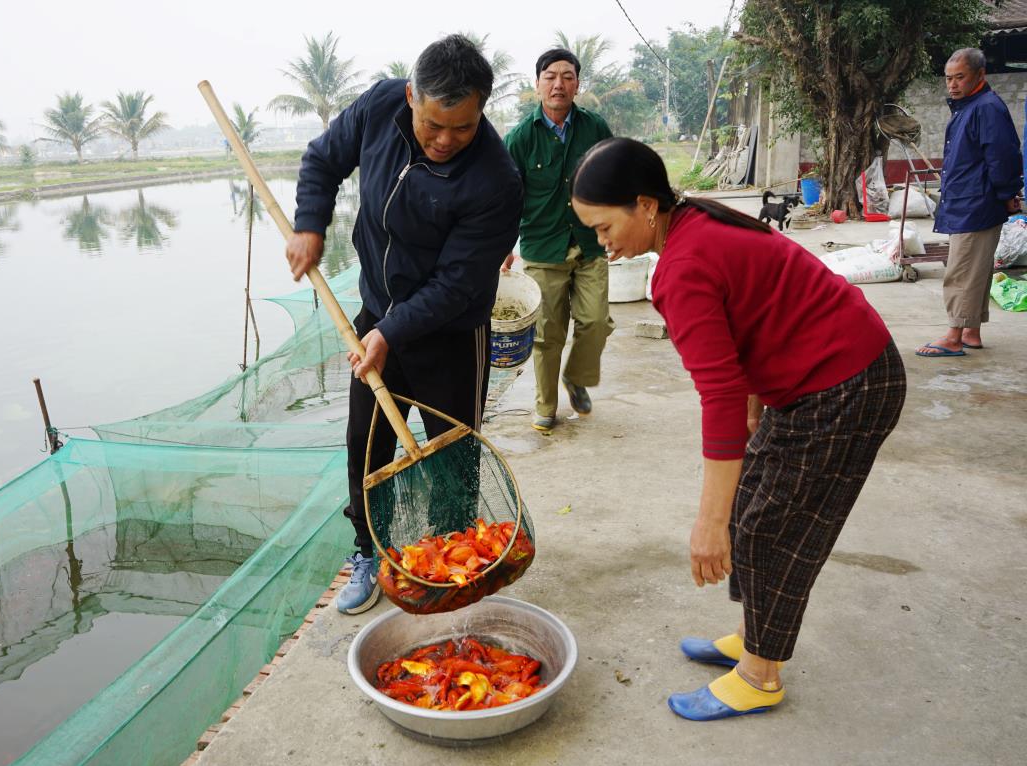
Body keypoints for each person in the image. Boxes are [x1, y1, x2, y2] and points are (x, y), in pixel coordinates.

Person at [571, 138, 906, 721]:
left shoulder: (683, 267)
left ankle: (760, 675)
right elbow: (752, 312)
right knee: (755, 505)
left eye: (603, 228)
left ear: (646, 206)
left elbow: (718, 396)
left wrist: (708, 523)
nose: (602, 245)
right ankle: (755, 636)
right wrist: (758, 403)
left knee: (771, 528)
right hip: (814, 377)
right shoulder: (694, 218)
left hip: (846, 384)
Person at [285, 34, 523, 614]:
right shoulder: (379, 106)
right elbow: (322, 159)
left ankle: (447, 561)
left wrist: (392, 333)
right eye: (434, 124)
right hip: (373, 316)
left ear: (481, 111)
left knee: (450, 456)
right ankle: (368, 550)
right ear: (412, 97)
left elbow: (457, 284)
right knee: (364, 449)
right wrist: (310, 223)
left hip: (449, 333)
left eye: (463, 128)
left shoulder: (497, 180)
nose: (446, 141)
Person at [502, 48, 614, 431]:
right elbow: (505, 198)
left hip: (589, 243)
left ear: (577, 85)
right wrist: (502, 245)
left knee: (595, 322)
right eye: (550, 76)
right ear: (537, 85)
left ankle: (577, 378)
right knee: (547, 337)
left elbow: (612, 178)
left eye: (567, 76)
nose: (558, 84)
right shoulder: (519, 139)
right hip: (542, 249)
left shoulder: (595, 128)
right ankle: (546, 405)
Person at [915, 47, 1021, 357]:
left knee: (961, 271)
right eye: (949, 78)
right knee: (976, 269)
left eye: (959, 77)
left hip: (978, 202)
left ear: (980, 75)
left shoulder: (986, 107)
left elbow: (1002, 157)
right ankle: (971, 332)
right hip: (967, 200)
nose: (952, 84)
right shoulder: (968, 107)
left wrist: (1006, 194)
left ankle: (953, 336)